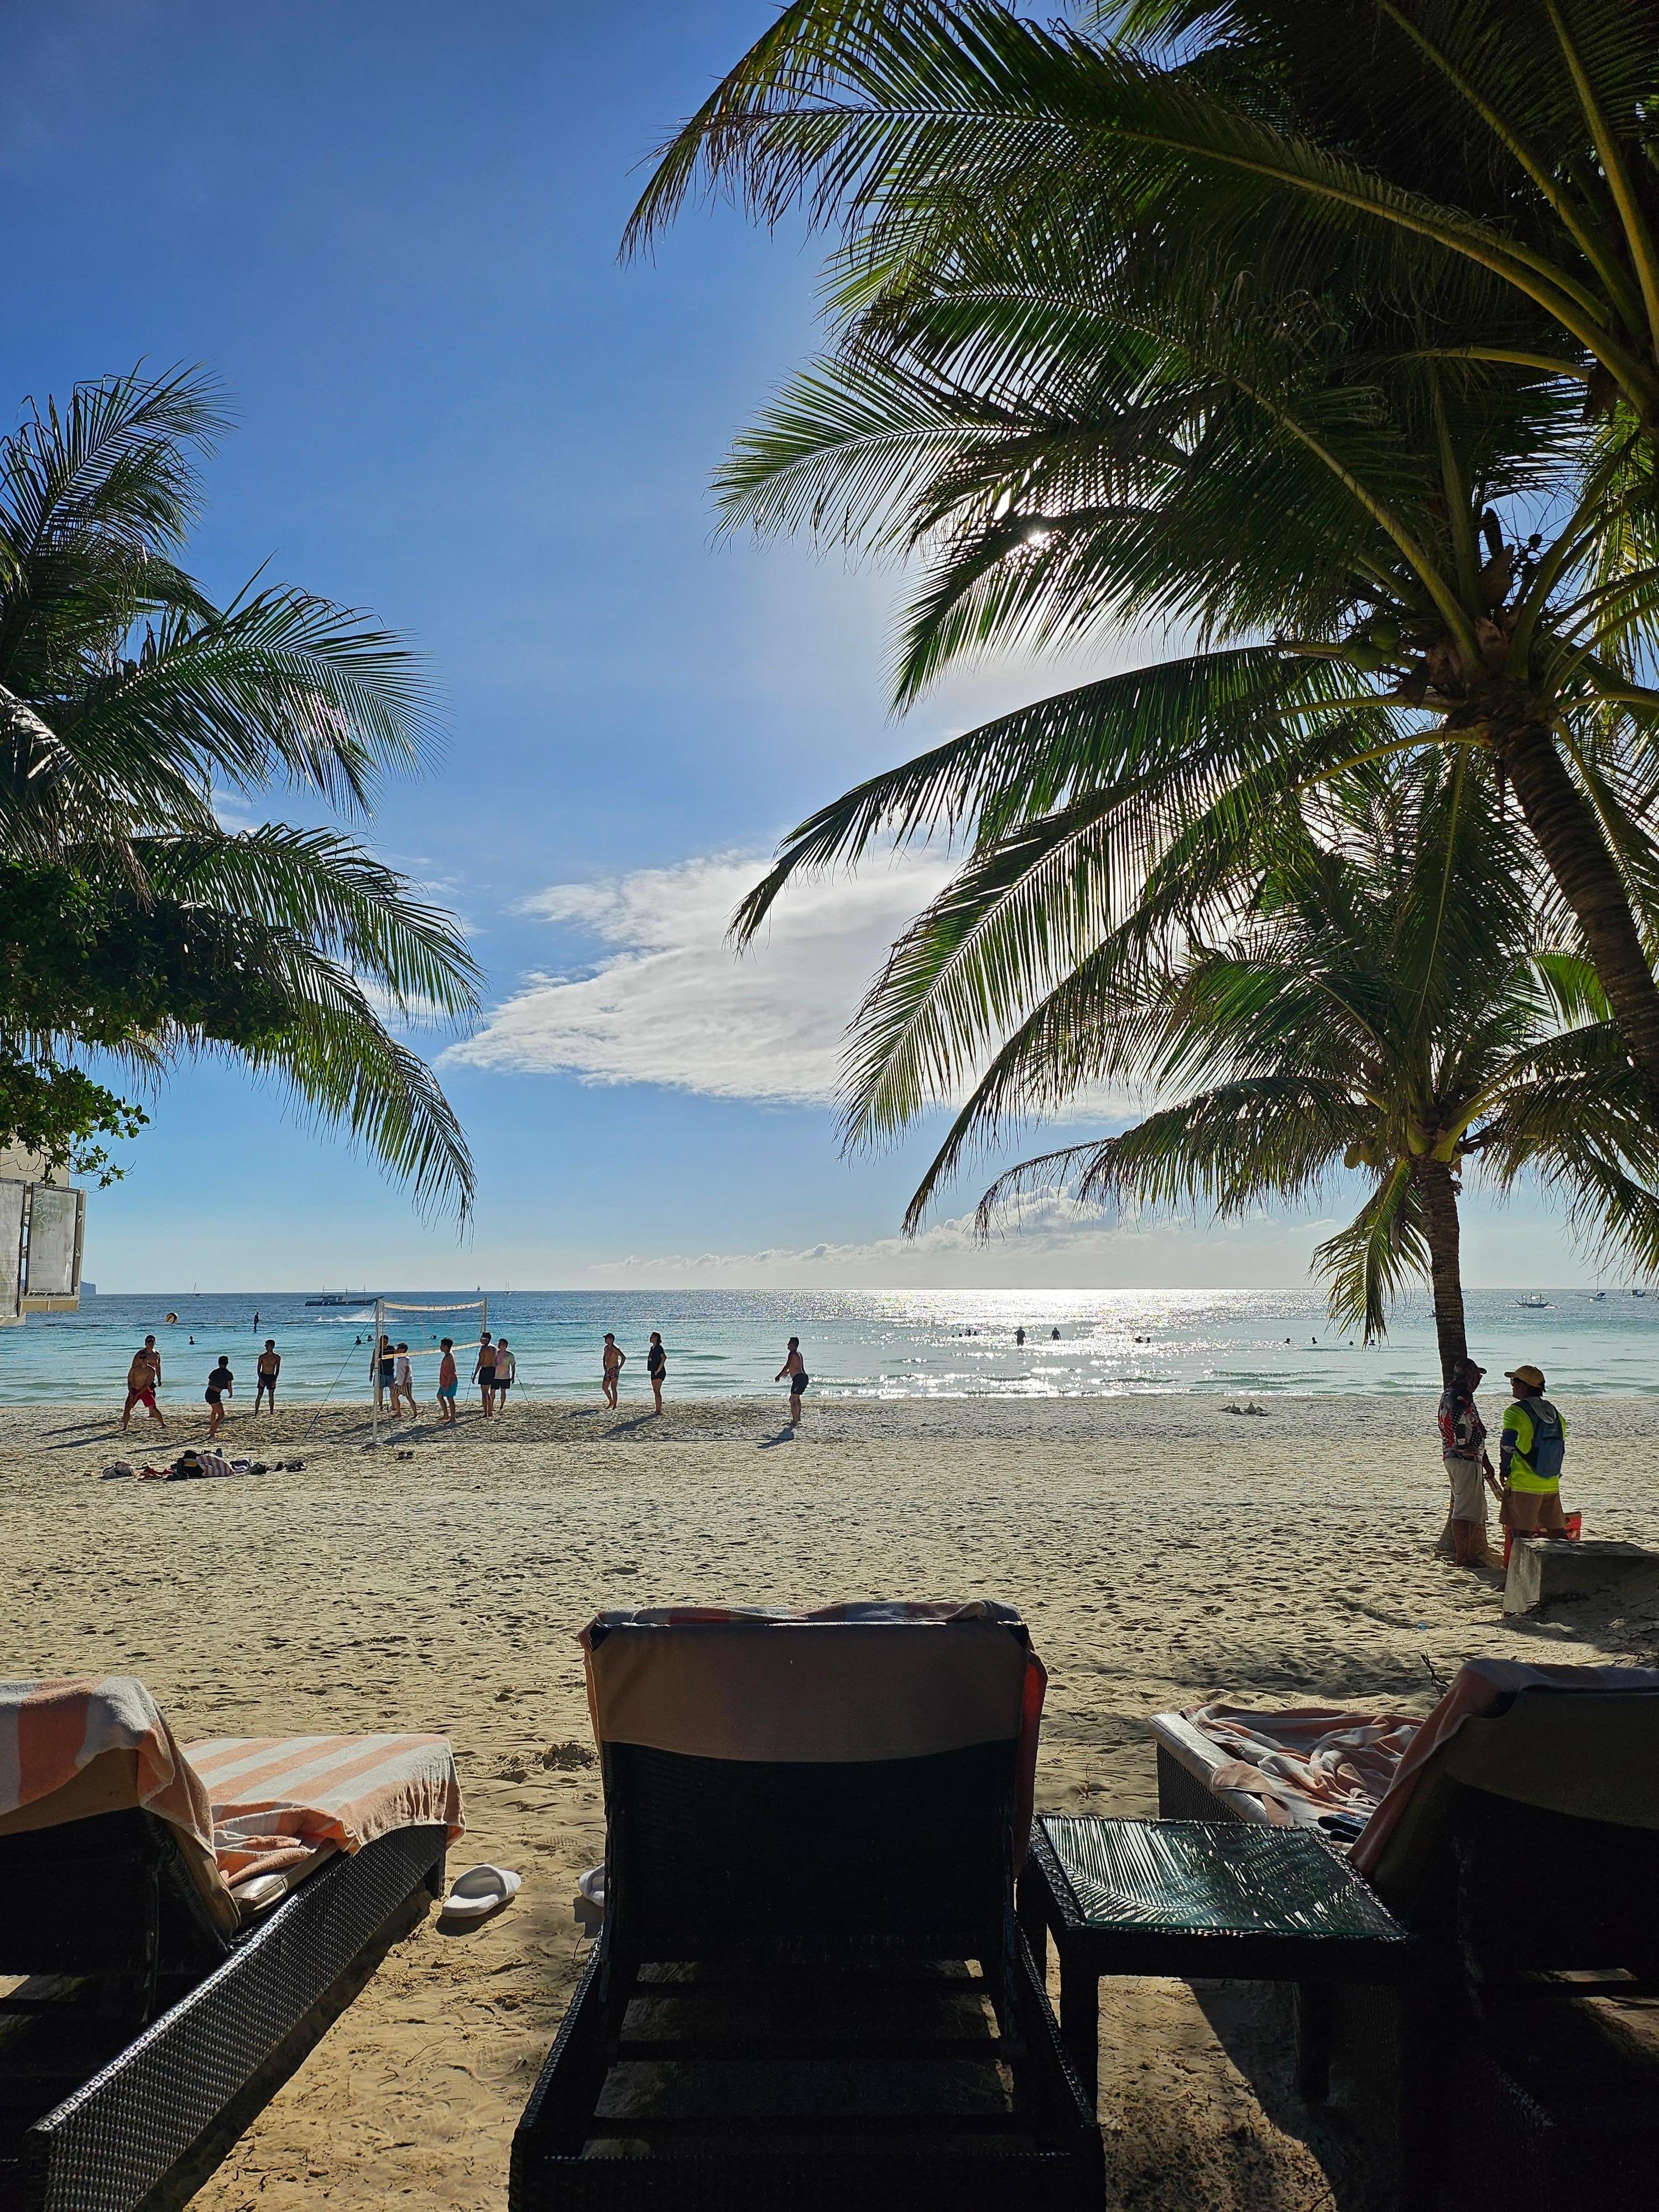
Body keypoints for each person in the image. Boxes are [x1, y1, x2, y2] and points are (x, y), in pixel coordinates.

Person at [1437, 1356, 1500, 1567]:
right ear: (1470, 1376)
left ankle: (1468, 1555)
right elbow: (1458, 1416)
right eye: (1476, 1376)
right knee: (1464, 1511)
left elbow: (1471, 1427)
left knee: (1470, 1510)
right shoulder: (1461, 1393)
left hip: (1460, 1458)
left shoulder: (1452, 1392)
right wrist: (1463, 1445)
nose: (1478, 1381)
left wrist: (1485, 1460)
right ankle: (1463, 1558)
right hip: (1463, 1459)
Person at [1500, 1364, 1569, 1537]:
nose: (1512, 1386)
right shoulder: (1554, 1413)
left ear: (1524, 1385)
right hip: (1551, 1481)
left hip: (1524, 1482)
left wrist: (1504, 1469)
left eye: (1514, 1382)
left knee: (1522, 1533)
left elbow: (1508, 1444)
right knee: (1557, 1533)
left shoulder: (1515, 1412)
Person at [122, 1335, 165, 1430]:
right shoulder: (141, 1354)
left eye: (152, 1341)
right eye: (149, 1341)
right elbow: (132, 1371)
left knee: (152, 1398)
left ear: (155, 1342)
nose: (150, 1343)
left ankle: (155, 1417)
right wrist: (132, 1389)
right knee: (128, 1406)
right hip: (138, 1381)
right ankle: (125, 1425)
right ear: (145, 1343)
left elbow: (158, 1367)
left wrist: (159, 1379)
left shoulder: (156, 1355)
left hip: (150, 1379)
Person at [775, 1336, 808, 1428]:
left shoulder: (792, 1353)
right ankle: (798, 1418)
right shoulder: (799, 1354)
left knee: (792, 1399)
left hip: (799, 1379)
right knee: (797, 1398)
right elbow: (797, 1366)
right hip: (804, 1378)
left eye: (789, 1343)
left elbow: (787, 1365)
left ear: (793, 1345)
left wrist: (779, 1375)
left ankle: (795, 1420)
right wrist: (788, 1372)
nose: (788, 1345)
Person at [205, 1354, 233, 1439]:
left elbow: (210, 1383)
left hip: (209, 1393)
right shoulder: (228, 1374)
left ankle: (212, 1428)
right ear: (227, 1363)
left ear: (219, 1363)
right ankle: (212, 1433)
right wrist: (230, 1394)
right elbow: (229, 1386)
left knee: (214, 1411)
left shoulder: (215, 1372)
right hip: (214, 1395)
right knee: (222, 1415)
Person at [473, 1329, 497, 1417]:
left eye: (482, 1338)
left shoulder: (484, 1348)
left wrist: (475, 1375)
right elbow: (496, 1361)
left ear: (486, 1340)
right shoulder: (494, 1348)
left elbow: (480, 1362)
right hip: (492, 1369)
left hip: (486, 1369)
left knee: (484, 1393)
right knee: (487, 1393)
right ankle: (490, 1411)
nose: (480, 1340)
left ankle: (486, 1413)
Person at [436, 1337, 459, 1423]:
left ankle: (453, 1418)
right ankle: (446, 1415)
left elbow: (450, 1372)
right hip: (444, 1381)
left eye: (442, 1345)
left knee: (450, 1399)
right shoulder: (447, 1355)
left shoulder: (449, 1356)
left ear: (446, 1347)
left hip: (450, 1381)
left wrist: (447, 1384)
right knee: (439, 1396)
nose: (440, 1347)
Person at [254, 1339, 280, 1412]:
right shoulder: (262, 1357)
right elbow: (258, 1369)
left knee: (271, 1395)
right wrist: (261, 1379)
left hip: (271, 1377)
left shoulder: (277, 1357)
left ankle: (271, 1412)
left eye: (267, 1345)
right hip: (263, 1376)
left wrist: (275, 1380)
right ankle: (256, 1412)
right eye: (265, 1345)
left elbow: (277, 1370)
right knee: (259, 1395)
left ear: (272, 1346)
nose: (266, 1347)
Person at [602, 1332, 624, 1408]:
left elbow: (623, 1357)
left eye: (607, 1338)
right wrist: (604, 1366)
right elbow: (604, 1358)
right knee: (605, 1388)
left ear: (611, 1339)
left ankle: (615, 1405)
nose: (605, 1340)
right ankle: (611, 1401)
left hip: (614, 1369)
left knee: (613, 1388)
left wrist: (619, 1368)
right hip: (608, 1370)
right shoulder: (606, 1348)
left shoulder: (615, 1348)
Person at [646, 1330, 666, 1413]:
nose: (650, 1338)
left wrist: (658, 1370)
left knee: (657, 1391)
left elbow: (664, 1357)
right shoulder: (652, 1348)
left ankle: (659, 1410)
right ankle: (657, 1410)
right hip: (653, 1371)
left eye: (652, 1337)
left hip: (659, 1372)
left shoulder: (659, 1348)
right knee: (655, 1391)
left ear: (656, 1338)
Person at [372, 1333, 394, 1410]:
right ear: (380, 1341)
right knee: (380, 1390)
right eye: (384, 1341)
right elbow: (373, 1361)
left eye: (386, 1341)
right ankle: (381, 1405)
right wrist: (371, 1373)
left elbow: (399, 1355)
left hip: (390, 1373)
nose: (385, 1343)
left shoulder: (391, 1348)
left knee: (392, 1390)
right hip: (380, 1373)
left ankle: (393, 1405)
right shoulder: (378, 1350)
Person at [394, 1343, 415, 1419]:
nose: (397, 1350)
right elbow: (400, 1372)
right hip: (399, 1382)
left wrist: (405, 1382)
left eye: (398, 1349)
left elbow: (407, 1370)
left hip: (406, 1382)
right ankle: (399, 1413)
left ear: (403, 1350)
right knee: (394, 1396)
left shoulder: (406, 1359)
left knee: (409, 1397)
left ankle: (415, 1413)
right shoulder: (400, 1359)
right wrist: (394, 1381)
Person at [493, 1336, 515, 1407]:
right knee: (492, 1392)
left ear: (505, 1345)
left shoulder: (510, 1355)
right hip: (495, 1376)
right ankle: (491, 1406)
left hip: (505, 1377)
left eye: (502, 1344)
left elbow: (513, 1366)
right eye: (499, 1344)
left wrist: (513, 1377)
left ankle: (502, 1405)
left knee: (503, 1392)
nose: (500, 1346)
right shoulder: (495, 1353)